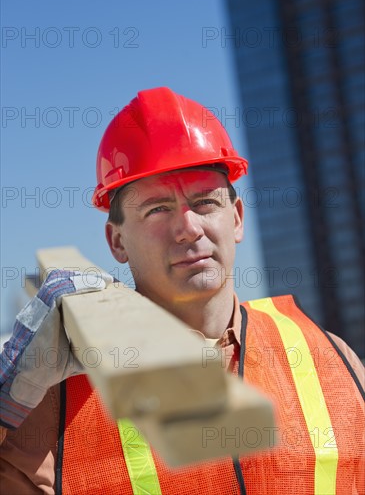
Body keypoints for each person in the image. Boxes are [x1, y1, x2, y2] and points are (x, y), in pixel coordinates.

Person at [0, 87, 364, 495]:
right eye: (157, 209)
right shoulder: (59, 392)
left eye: (205, 202)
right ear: (116, 242)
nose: (189, 228)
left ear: (237, 219)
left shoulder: (329, 358)